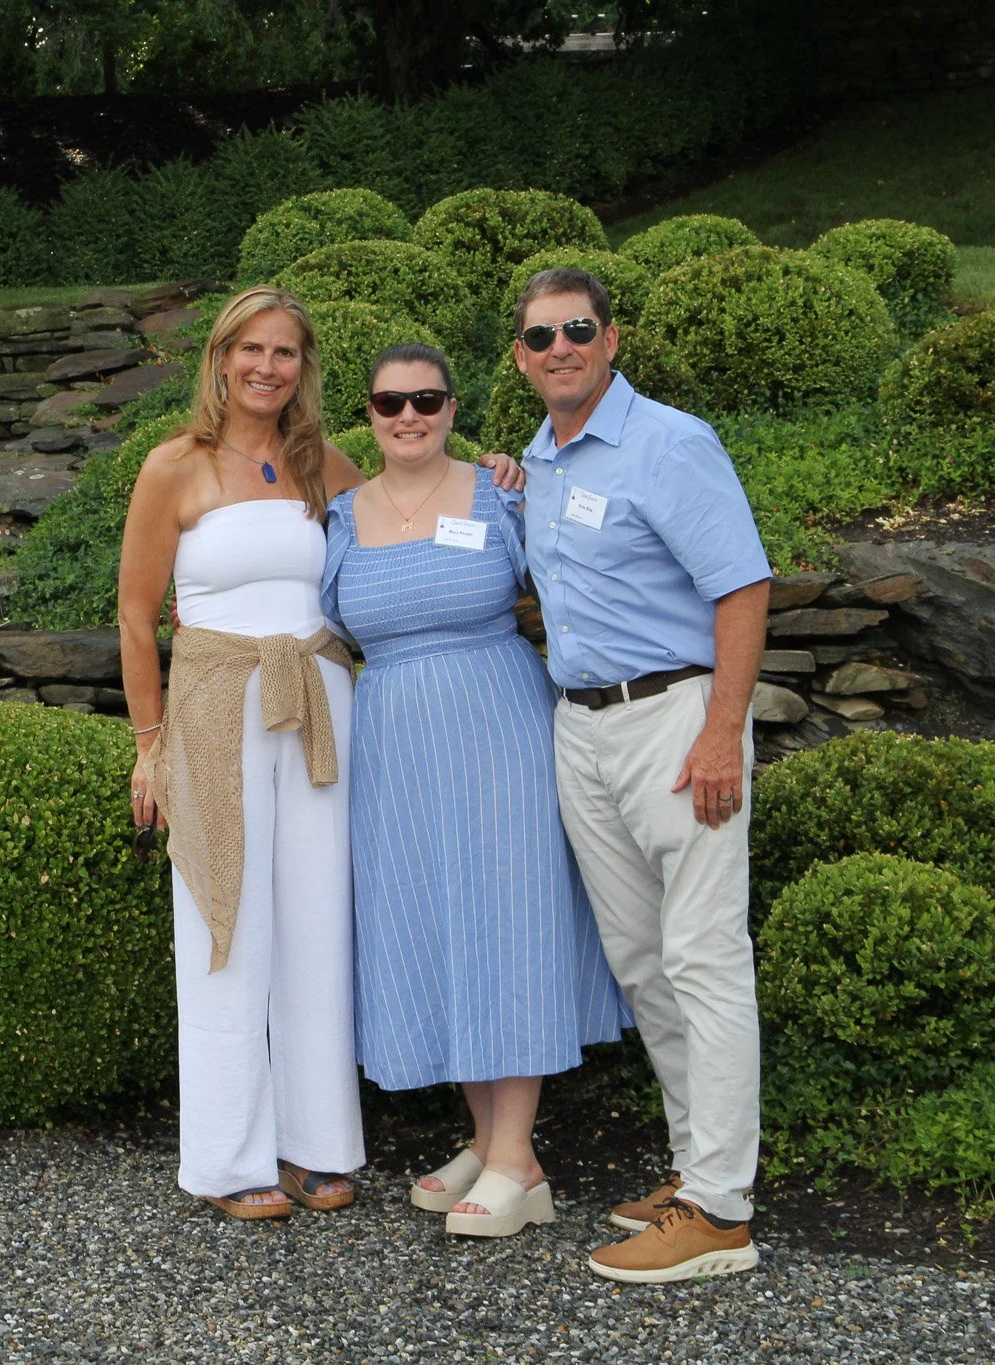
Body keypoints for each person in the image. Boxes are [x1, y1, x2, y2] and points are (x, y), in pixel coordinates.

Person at [117, 287, 523, 1220]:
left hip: (321, 703)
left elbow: (415, 499)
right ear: (221, 358)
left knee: (317, 920)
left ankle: (317, 1144)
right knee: (226, 919)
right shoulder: (174, 466)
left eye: (286, 352)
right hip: (217, 702)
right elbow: (139, 618)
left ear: (306, 367)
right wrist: (151, 745)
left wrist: (498, 474)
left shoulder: (322, 464)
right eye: (250, 349)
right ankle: (228, 1156)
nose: (267, 366)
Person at [320, 343, 633, 1239]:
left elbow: (580, 586)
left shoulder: (503, 492)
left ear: (453, 408)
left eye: (427, 399)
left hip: (499, 733)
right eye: (391, 402)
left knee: (507, 922)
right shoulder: (341, 516)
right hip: (395, 749)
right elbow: (321, 632)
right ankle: (488, 1137)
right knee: (437, 924)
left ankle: (516, 1160)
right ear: (370, 415)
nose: (409, 416)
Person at [507, 267, 772, 1283]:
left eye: (576, 330)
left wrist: (719, 730)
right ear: (520, 358)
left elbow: (742, 587)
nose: (558, 348)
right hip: (581, 728)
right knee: (640, 960)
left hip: (673, 721)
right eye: (538, 338)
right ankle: (692, 1170)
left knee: (702, 954)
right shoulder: (540, 459)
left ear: (610, 339)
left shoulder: (669, 442)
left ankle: (721, 1212)